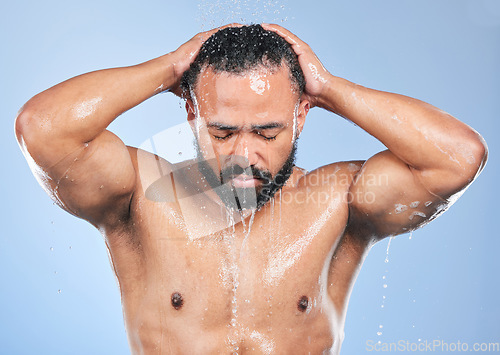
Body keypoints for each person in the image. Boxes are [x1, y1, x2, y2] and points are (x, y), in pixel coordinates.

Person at [15, 23, 487, 354]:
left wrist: (330, 88)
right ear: (192, 114)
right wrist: (167, 70)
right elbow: (42, 129)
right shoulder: (141, 194)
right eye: (222, 132)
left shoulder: (339, 201)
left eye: (266, 132)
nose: (244, 154)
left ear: (302, 115)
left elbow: (458, 158)